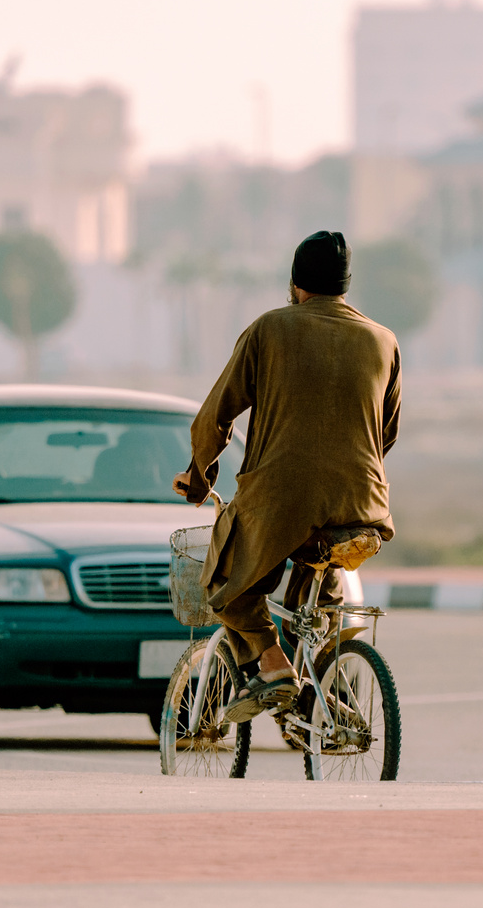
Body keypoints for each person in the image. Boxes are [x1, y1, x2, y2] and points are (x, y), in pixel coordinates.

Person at [171, 230, 401, 722]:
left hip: (281, 499)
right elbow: (388, 432)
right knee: (322, 592)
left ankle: (272, 665)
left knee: (225, 579)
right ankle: (318, 701)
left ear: (295, 282)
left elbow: (216, 415)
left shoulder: (269, 331)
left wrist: (199, 473)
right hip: (364, 505)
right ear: (345, 286)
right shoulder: (383, 340)